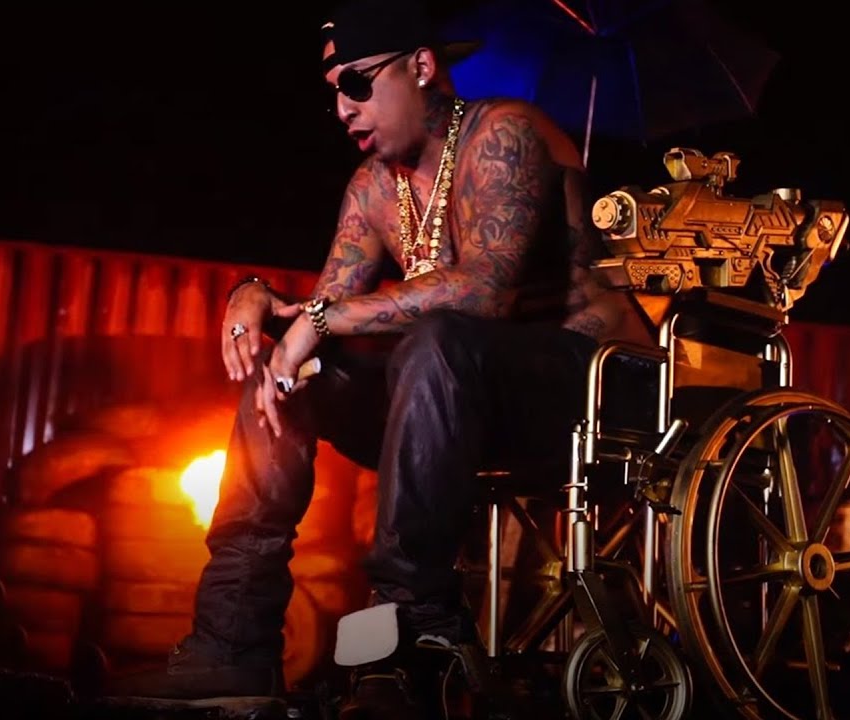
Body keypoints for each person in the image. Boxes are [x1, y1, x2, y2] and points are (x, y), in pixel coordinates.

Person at [103, 0, 654, 712]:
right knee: (292, 378)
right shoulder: (373, 186)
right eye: (334, 90)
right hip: (460, 393)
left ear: (421, 66)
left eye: (357, 83)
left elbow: (484, 292)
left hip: (591, 389)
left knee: (439, 341)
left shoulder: (504, 132)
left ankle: (411, 627)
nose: (342, 107)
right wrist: (259, 299)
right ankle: (232, 641)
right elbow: (323, 320)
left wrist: (320, 320)